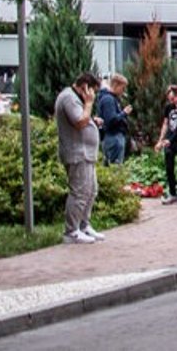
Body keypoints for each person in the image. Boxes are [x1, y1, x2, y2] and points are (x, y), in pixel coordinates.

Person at [54, 71, 102, 243]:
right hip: (77, 153)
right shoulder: (69, 98)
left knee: (91, 191)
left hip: (86, 153)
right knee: (80, 192)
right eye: (93, 91)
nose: (93, 96)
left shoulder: (75, 98)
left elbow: (83, 119)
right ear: (85, 88)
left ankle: (83, 225)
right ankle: (71, 231)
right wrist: (89, 104)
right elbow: (79, 122)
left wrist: (92, 120)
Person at [95, 73, 132, 164]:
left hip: (114, 137)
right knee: (115, 166)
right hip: (113, 138)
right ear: (116, 85)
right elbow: (111, 120)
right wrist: (124, 113)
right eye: (122, 88)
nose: (123, 92)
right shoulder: (108, 100)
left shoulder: (112, 99)